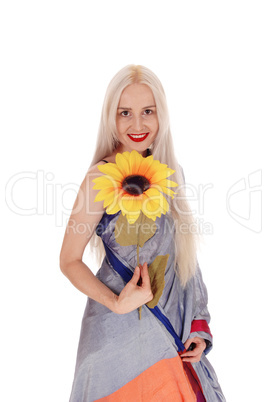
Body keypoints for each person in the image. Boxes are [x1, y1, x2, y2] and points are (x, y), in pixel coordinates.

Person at [60, 65, 225, 401]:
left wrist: (197, 322)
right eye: (125, 113)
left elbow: (183, 254)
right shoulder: (100, 178)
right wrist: (117, 303)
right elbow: (69, 260)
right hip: (114, 344)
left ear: (160, 115)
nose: (137, 125)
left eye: (147, 111)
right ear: (112, 118)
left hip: (170, 336)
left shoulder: (169, 172)